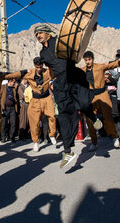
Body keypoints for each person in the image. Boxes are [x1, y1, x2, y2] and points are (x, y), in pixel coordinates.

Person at [35, 24, 102, 169]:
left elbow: (78, 41)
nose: (38, 35)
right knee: (64, 115)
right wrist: (52, 81)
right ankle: (67, 151)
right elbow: (52, 69)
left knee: (83, 103)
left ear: (48, 33)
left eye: (40, 33)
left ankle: (92, 116)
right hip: (60, 83)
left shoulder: (59, 40)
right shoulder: (42, 54)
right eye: (36, 34)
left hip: (73, 75)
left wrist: (90, 28)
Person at [80, 51, 120, 151]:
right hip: (90, 96)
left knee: (108, 116)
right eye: (86, 60)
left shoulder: (100, 67)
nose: (88, 62)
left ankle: (114, 137)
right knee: (90, 120)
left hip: (102, 94)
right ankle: (94, 142)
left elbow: (112, 65)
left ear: (93, 59)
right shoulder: (82, 70)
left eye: (89, 59)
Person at [23, 57, 57, 152]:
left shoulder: (47, 72)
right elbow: (17, 75)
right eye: (37, 67)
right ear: (34, 66)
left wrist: (50, 67)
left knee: (52, 116)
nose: (39, 69)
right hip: (35, 100)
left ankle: (52, 135)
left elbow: (55, 74)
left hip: (47, 98)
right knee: (35, 123)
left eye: (40, 66)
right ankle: (36, 142)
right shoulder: (29, 74)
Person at [0, 78, 18, 143]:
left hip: (12, 108)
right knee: (4, 124)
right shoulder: (3, 87)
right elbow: (0, 96)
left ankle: (12, 137)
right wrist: (1, 106)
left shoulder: (13, 89)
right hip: (5, 108)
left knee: (13, 123)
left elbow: (16, 98)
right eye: (14, 82)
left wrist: (14, 100)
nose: (14, 83)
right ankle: (3, 137)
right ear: (10, 82)